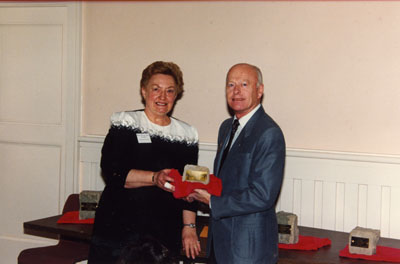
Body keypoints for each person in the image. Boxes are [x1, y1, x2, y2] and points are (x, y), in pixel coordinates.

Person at [88, 61, 201, 263]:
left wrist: (189, 227)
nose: (162, 97)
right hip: (120, 227)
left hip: (164, 230)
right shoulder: (126, 123)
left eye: (169, 91)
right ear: (143, 91)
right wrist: (154, 177)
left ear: (176, 95)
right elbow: (113, 172)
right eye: (155, 89)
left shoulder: (186, 135)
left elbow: (189, 185)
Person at [188, 63, 286, 263]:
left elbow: (263, 195)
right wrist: (194, 185)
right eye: (230, 85)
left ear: (259, 90)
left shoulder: (268, 132)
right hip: (220, 238)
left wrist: (212, 201)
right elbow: (227, 180)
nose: (236, 91)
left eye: (244, 84)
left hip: (248, 247)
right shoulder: (226, 127)